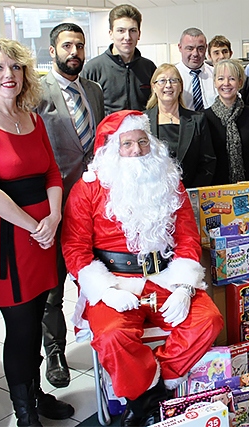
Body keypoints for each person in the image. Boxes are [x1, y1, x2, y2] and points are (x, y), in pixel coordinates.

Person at [61, 110, 223, 426]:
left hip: (165, 278)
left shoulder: (168, 182)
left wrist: (184, 286)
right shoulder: (88, 189)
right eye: (127, 144)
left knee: (209, 321)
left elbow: (188, 236)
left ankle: (151, 387)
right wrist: (105, 291)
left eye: (142, 142)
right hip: (115, 282)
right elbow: (75, 249)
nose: (137, 150)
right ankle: (147, 401)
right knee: (111, 336)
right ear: (111, 149)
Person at [0, 38, 74, 426]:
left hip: (44, 232)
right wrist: (35, 226)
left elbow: (52, 173)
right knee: (21, 326)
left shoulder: (34, 119)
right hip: (10, 239)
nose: (8, 75)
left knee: (41, 314)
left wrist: (54, 218)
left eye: (15, 67)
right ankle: (24, 412)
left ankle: (37, 393)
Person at [36, 22, 105, 389]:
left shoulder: (92, 90)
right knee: (53, 286)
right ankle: (56, 354)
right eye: (67, 46)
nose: (74, 52)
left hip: (92, 204)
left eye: (79, 45)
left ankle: (101, 343)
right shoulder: (37, 91)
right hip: (55, 203)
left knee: (96, 276)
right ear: (52, 51)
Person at [144, 63, 216, 188]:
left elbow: (207, 162)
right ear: (153, 87)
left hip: (190, 193)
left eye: (173, 80)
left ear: (181, 86)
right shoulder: (142, 121)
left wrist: (191, 193)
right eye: (162, 81)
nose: (168, 85)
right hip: (153, 195)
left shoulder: (198, 120)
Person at [81, 4, 156, 114]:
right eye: (121, 31)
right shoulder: (93, 69)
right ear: (111, 34)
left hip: (142, 130)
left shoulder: (149, 68)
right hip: (107, 130)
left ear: (139, 34)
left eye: (133, 31)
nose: (127, 37)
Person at [204, 59, 249, 184]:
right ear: (215, 82)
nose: (226, 83)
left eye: (232, 79)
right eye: (221, 78)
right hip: (215, 189)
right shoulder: (204, 117)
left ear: (240, 83)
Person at [207, 35, 249, 106]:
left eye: (225, 52)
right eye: (216, 53)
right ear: (209, 56)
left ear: (231, 53)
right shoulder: (206, 79)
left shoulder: (244, 80)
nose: (221, 56)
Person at [177, 28, 217, 111]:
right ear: (180, 48)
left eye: (200, 49)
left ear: (206, 48)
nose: (195, 54)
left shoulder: (216, 75)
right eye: (190, 48)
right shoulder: (172, 77)